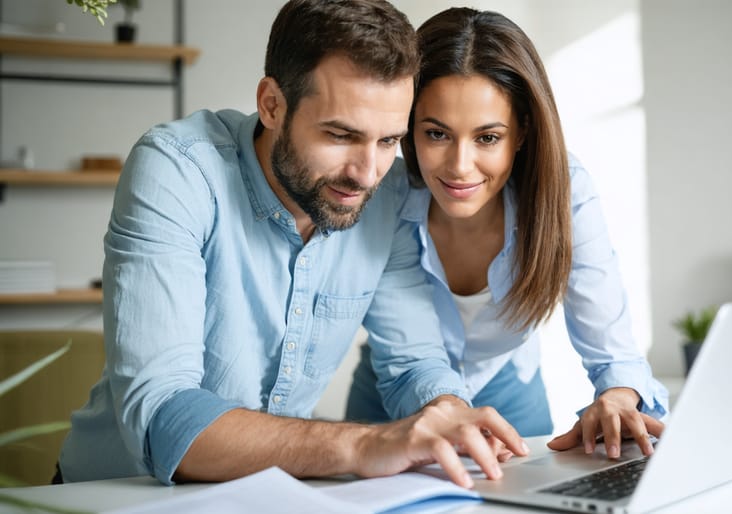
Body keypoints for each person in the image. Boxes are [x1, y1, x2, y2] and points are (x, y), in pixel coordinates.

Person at [56, 0, 528, 489]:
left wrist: (448, 413)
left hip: (268, 496)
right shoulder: (177, 170)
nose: (367, 173)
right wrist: (364, 444)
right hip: (114, 496)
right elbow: (162, 413)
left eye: (389, 140)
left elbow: (414, 364)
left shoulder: (384, 196)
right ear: (272, 105)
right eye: (341, 135)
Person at [346, 7, 668, 459]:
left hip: (512, 398)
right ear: (406, 129)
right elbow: (411, 360)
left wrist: (617, 397)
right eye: (437, 133)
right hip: (391, 402)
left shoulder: (564, 192)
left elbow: (613, 352)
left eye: (488, 137)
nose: (460, 166)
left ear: (521, 133)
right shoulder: (385, 199)